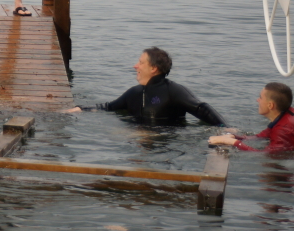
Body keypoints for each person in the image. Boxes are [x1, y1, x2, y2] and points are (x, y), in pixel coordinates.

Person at [66, 47, 228, 126]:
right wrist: (80, 109)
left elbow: (202, 109)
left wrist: (226, 128)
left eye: (141, 63)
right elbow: (108, 107)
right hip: (139, 141)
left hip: (165, 143)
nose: (135, 66)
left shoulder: (174, 91)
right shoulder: (134, 93)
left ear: (153, 68)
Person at [209, 82, 294, 153]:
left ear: (270, 105)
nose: (258, 100)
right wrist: (233, 136)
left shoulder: (282, 130)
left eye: (261, 97)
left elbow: (266, 154)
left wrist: (234, 143)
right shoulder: (285, 115)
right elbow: (261, 136)